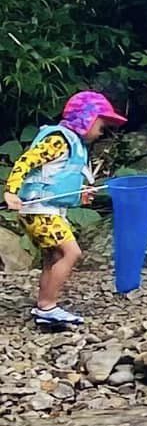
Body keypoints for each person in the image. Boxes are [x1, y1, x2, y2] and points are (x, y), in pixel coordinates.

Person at [4, 91, 126, 330]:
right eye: (101, 125)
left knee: (54, 256)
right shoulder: (58, 140)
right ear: (87, 119)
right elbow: (26, 161)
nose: (102, 132)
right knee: (71, 252)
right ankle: (47, 306)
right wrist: (11, 191)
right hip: (38, 209)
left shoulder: (74, 145)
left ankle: (44, 305)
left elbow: (58, 178)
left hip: (48, 210)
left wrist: (79, 194)